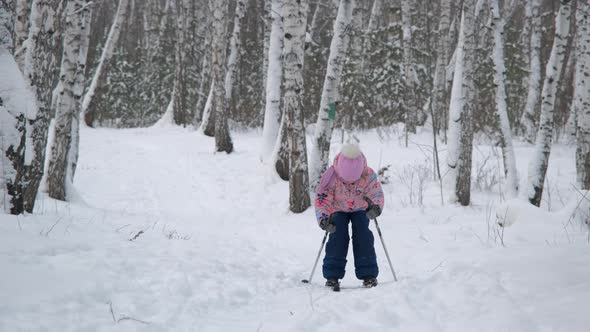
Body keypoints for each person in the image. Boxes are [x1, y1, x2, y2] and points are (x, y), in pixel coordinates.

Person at [314, 143, 385, 288]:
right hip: (338, 209)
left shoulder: (368, 174)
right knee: (337, 236)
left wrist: (376, 206)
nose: (350, 183)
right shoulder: (331, 176)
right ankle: (332, 275)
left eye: (354, 180)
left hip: (360, 208)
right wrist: (323, 219)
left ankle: (369, 274)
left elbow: (375, 192)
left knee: (363, 236)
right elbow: (323, 199)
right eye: (346, 180)